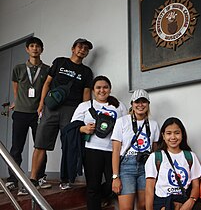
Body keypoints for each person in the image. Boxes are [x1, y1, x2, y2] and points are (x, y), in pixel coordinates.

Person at [29, 38, 94, 190]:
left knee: (69, 145)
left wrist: (84, 116)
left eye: (86, 48)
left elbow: (86, 95)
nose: (82, 50)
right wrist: (41, 103)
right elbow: (47, 83)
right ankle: (33, 179)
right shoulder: (60, 62)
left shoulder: (86, 72)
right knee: (40, 143)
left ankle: (65, 179)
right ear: (73, 48)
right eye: (80, 46)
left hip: (72, 111)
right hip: (51, 108)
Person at [69, 76, 127, 210]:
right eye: (98, 87)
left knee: (113, 183)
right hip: (91, 150)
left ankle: (103, 196)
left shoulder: (119, 106)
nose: (102, 90)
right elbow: (72, 128)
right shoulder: (84, 106)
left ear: (110, 89)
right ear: (93, 90)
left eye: (105, 87)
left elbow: (126, 127)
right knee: (93, 186)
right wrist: (83, 129)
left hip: (113, 151)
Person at [4, 37, 50, 196]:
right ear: (27, 49)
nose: (35, 49)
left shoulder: (47, 69)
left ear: (42, 49)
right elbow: (16, 87)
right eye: (32, 46)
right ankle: (12, 179)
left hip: (39, 113)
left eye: (38, 46)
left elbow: (47, 89)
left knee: (41, 146)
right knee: (17, 147)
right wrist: (18, 101)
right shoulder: (18, 68)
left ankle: (40, 177)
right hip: (21, 113)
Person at [111, 89, 160, 210]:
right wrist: (115, 177)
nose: (140, 105)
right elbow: (116, 151)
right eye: (137, 102)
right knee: (126, 207)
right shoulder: (122, 122)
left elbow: (155, 151)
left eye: (144, 102)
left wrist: (157, 173)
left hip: (146, 166)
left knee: (144, 205)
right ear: (132, 104)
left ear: (148, 104)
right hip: (127, 167)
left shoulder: (153, 124)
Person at [145, 117, 201, 210]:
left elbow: (196, 186)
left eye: (177, 133)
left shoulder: (190, 156)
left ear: (182, 135)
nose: (173, 137)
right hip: (163, 201)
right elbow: (149, 190)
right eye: (169, 133)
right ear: (163, 136)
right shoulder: (155, 157)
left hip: (185, 199)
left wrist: (191, 201)